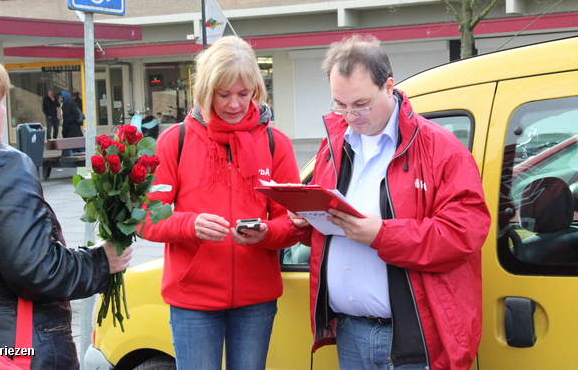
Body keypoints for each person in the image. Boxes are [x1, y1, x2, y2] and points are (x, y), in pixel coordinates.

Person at [288, 35, 491, 370]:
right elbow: (327, 221)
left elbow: (464, 234)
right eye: (339, 104)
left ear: (389, 86)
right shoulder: (334, 148)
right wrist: (304, 220)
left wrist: (381, 234)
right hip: (351, 331)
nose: (351, 115)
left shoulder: (442, 149)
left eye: (361, 104)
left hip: (415, 335)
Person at [0, 48, 133, 370]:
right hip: (10, 349)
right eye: (0, 100)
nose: (3, 110)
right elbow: (37, 270)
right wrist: (100, 261)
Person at [139, 36, 300, 370]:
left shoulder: (275, 143)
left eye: (244, 94)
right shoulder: (175, 142)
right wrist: (189, 224)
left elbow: (294, 223)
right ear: (205, 91)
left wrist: (266, 232)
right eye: (223, 94)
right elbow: (144, 220)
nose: (234, 104)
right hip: (193, 300)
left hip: (256, 299)